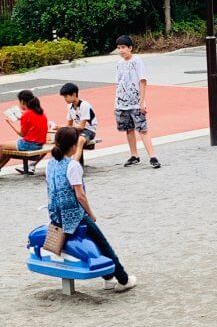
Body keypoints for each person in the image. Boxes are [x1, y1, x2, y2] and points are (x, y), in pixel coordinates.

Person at [46, 126, 137, 292]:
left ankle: (108, 278)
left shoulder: (50, 163)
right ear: (74, 146)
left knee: (93, 242)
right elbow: (80, 195)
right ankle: (123, 280)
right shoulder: (73, 166)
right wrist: (90, 213)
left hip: (56, 216)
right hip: (74, 215)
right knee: (103, 244)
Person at [115, 35, 161, 169]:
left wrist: (142, 101)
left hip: (135, 102)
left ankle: (152, 156)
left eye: (123, 47)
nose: (121, 50)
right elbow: (119, 83)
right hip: (121, 102)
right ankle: (134, 155)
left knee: (142, 129)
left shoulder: (137, 61)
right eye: (118, 48)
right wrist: (117, 101)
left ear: (130, 48)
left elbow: (143, 81)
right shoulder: (119, 64)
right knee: (128, 129)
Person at [1, 90, 48, 175]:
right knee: (7, 150)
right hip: (40, 144)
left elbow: (22, 134)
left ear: (22, 102)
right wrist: (22, 117)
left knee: (1, 146)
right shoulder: (40, 112)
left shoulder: (26, 115)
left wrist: (10, 123)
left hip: (29, 144)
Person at [59, 82, 98, 162]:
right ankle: (63, 162)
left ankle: (74, 164)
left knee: (80, 140)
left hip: (89, 130)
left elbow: (82, 126)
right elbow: (69, 124)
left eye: (66, 96)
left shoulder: (84, 105)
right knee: (61, 138)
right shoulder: (69, 107)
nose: (65, 99)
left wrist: (62, 127)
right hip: (77, 130)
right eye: (64, 97)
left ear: (74, 94)